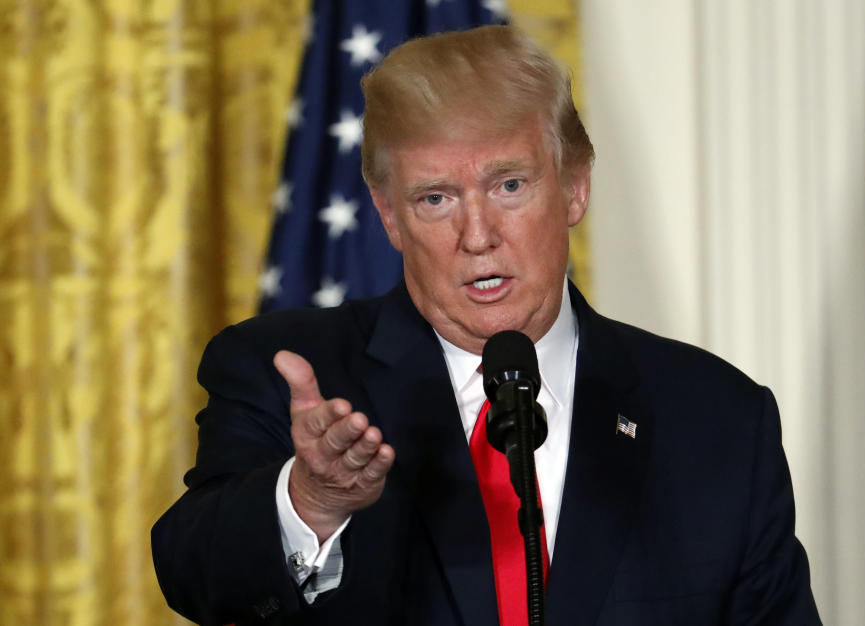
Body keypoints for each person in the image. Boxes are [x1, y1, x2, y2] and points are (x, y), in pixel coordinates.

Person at [152, 25, 820, 625]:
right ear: (389, 217)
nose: (478, 236)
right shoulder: (292, 375)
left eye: (509, 185)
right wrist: (311, 501)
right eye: (435, 198)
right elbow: (194, 574)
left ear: (575, 186)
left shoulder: (717, 418)